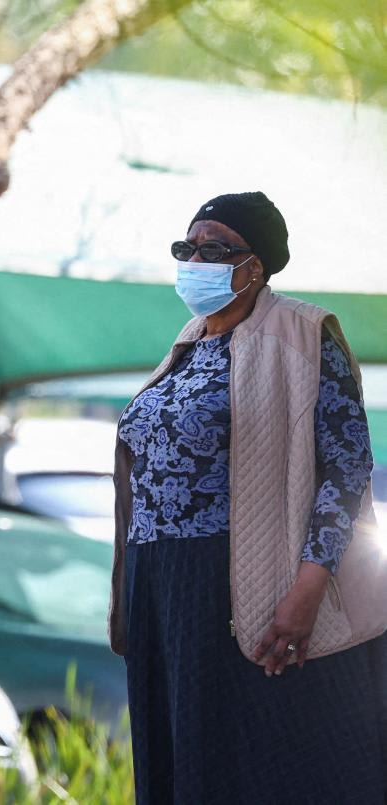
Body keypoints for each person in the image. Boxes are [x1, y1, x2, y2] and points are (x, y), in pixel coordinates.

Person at [106, 191, 387, 803]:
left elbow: (346, 467)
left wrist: (308, 589)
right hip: (161, 584)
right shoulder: (187, 344)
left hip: (240, 577)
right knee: (183, 757)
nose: (196, 260)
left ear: (256, 264)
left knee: (260, 759)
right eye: (188, 247)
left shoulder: (304, 333)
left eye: (216, 248)